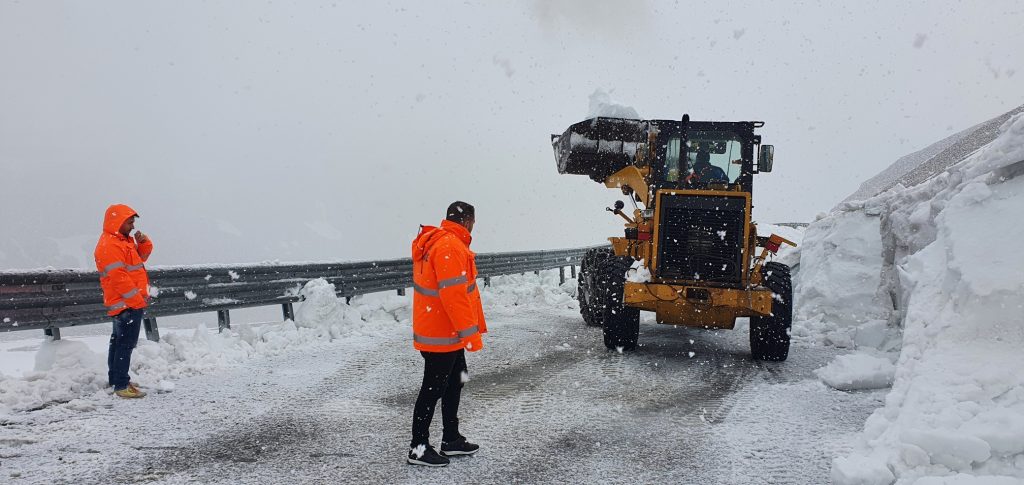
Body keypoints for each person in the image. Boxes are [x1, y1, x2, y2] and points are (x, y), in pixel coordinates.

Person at [407, 201, 487, 467]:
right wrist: (471, 335)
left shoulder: (442, 242)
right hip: (442, 334)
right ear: (467, 221)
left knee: (456, 381)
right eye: (474, 222)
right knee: (433, 389)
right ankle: (418, 448)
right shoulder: (450, 246)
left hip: (443, 331)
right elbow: (454, 296)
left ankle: (451, 440)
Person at [94, 204, 153, 399]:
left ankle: (116, 379)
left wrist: (143, 243)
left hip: (127, 302)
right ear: (117, 222)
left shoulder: (123, 242)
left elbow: (139, 260)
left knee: (118, 341)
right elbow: (118, 278)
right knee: (125, 344)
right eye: (129, 222)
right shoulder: (110, 245)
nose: (133, 226)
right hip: (126, 303)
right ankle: (121, 384)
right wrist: (136, 301)